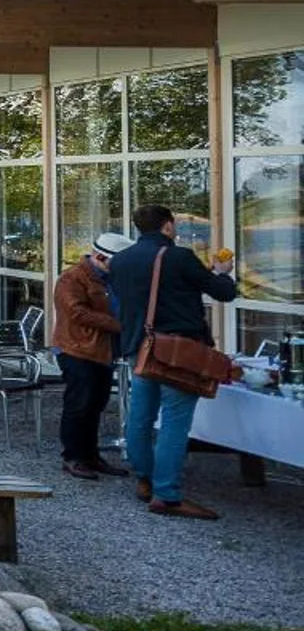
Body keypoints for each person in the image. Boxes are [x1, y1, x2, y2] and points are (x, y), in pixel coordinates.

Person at [107, 204, 238, 519]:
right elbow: (222, 293)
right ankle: (166, 494)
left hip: (139, 348)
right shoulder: (179, 257)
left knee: (140, 417)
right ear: (167, 226)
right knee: (175, 424)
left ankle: (145, 479)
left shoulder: (121, 261)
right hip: (176, 351)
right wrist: (221, 273)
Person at [52, 231, 131, 480]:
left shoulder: (110, 279)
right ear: (99, 257)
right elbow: (78, 313)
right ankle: (73, 456)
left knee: (96, 404)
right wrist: (121, 325)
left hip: (102, 350)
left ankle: (90, 455)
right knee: (79, 404)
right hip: (77, 349)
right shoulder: (72, 279)